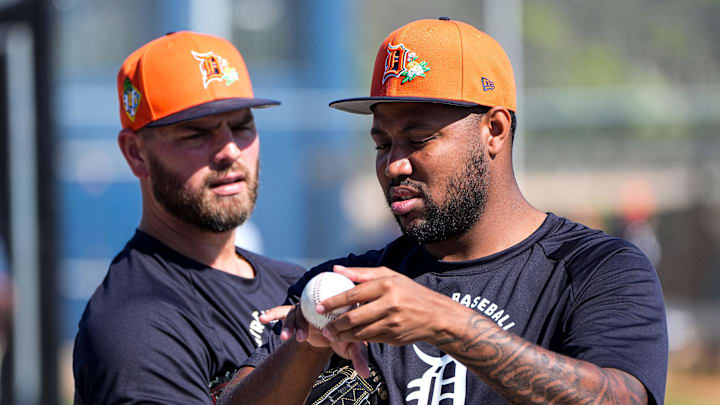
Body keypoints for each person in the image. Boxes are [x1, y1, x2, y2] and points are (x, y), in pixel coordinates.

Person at [219, 18, 668, 405]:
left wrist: (446, 321)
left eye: (418, 140)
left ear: (494, 129)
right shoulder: (349, 284)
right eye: (382, 143)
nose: (394, 163)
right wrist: (306, 347)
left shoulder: (596, 270)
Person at [72, 31, 305, 404]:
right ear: (135, 153)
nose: (229, 149)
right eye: (196, 133)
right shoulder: (135, 325)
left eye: (242, 125)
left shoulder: (294, 282)